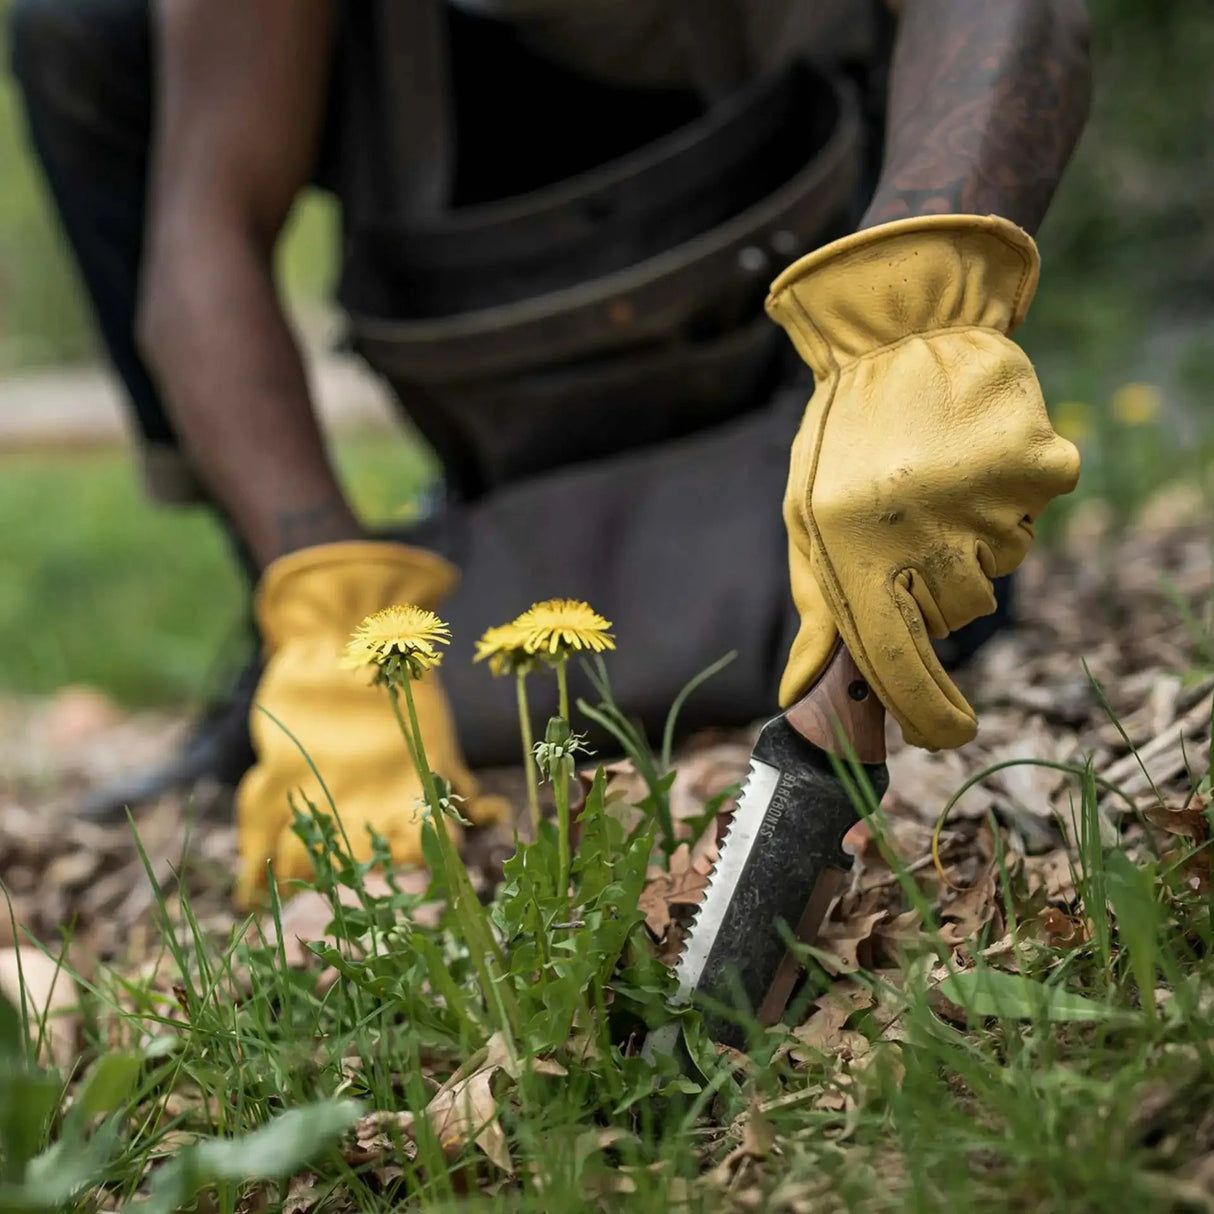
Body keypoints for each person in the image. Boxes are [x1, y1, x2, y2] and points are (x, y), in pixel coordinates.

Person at [10, 0, 1089, 906]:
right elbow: (206, 220)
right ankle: (299, 648)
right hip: (464, 220)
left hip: (789, 279)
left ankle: (879, 505)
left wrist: (917, 327)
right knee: (86, 28)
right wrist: (329, 606)